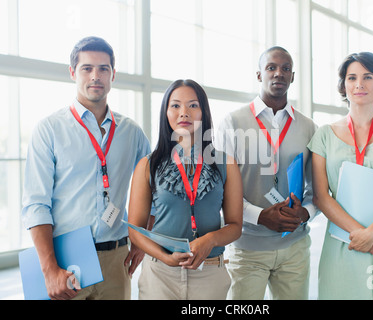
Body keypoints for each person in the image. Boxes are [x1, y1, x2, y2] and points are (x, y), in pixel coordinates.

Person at [21, 36, 151, 300]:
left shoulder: (132, 132)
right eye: (87, 68)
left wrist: (142, 239)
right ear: (72, 73)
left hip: (117, 259)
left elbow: (155, 189)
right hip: (64, 260)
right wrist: (49, 271)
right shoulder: (49, 130)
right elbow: (36, 205)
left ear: (113, 75)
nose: (96, 76)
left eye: (104, 68)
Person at [307, 52, 373, 299]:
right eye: (352, 77)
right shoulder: (324, 135)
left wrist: (372, 233)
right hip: (342, 235)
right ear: (343, 85)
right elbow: (321, 197)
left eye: (368, 77)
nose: (359, 84)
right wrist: (360, 234)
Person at [215, 46, 318, 300]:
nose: (278, 73)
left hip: (294, 247)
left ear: (292, 77)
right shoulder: (232, 123)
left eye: (285, 69)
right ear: (259, 74)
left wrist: (305, 213)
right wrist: (260, 216)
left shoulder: (308, 127)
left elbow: (316, 190)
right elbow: (220, 188)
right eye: (271, 67)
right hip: (246, 249)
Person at [127, 79, 243, 300]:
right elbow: (135, 230)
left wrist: (210, 240)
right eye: (175, 105)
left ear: (204, 113)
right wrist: (164, 256)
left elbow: (235, 226)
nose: (184, 113)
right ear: (166, 112)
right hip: (160, 274)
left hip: (209, 273)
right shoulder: (147, 165)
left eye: (193, 105)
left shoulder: (226, 163)